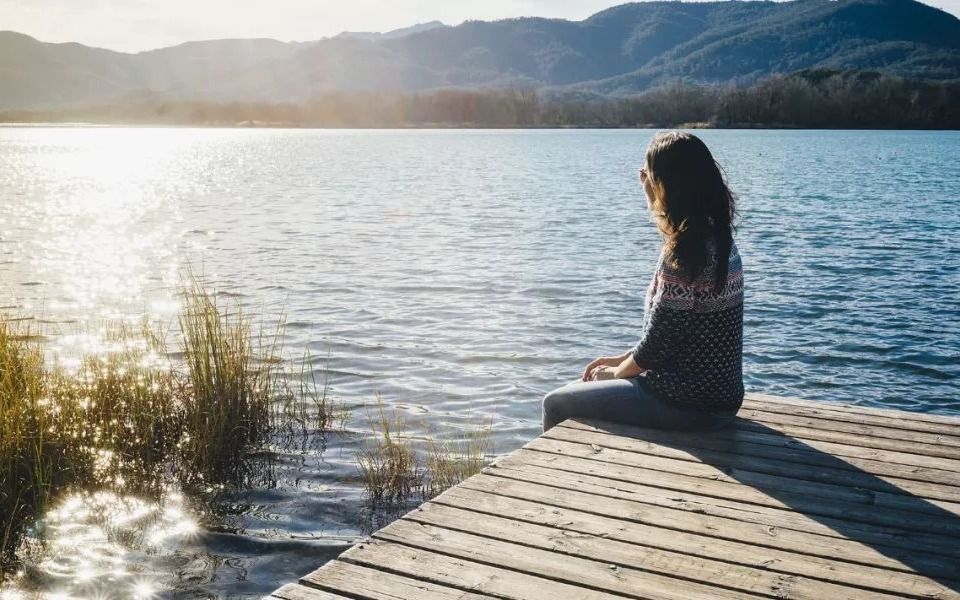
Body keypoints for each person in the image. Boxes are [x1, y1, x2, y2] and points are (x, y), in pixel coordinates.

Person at [541, 131, 744, 433]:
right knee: (586, 386)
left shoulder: (682, 255)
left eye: (646, 174)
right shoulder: (720, 241)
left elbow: (657, 347)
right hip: (723, 401)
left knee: (556, 403)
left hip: (685, 405)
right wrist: (621, 360)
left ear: (666, 184)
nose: (643, 180)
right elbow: (671, 333)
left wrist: (615, 375)